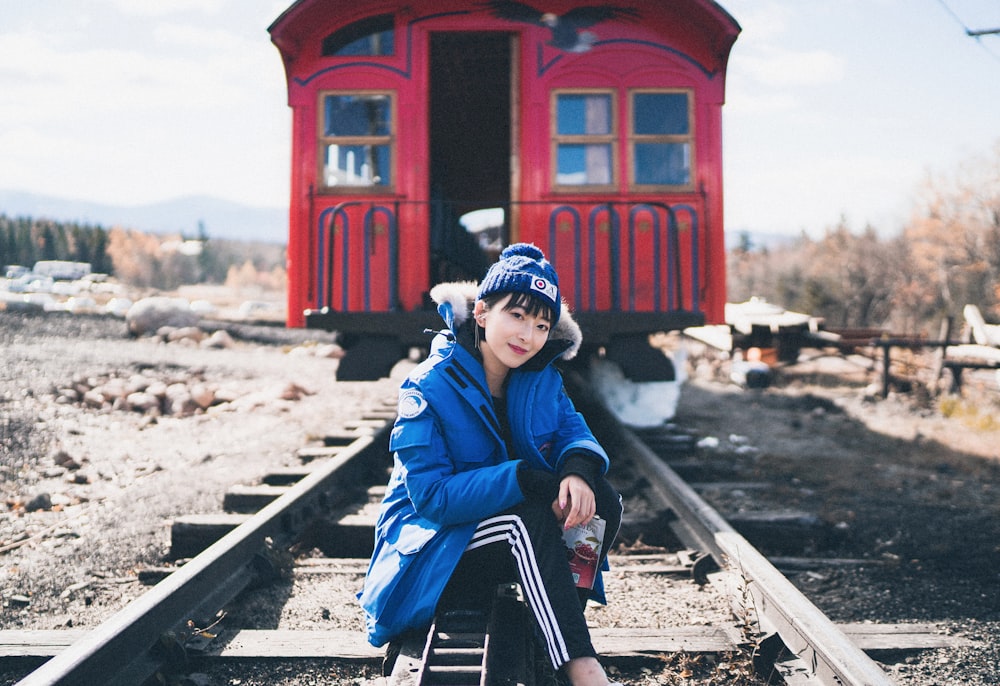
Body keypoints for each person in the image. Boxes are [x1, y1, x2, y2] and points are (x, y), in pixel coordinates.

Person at [357, 243, 624, 686]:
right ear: (481, 312)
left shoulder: (539, 379)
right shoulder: (430, 386)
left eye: (541, 325)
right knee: (525, 520)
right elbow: (432, 499)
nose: (528, 335)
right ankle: (581, 666)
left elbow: (572, 431)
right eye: (516, 316)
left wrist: (577, 470)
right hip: (431, 554)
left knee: (601, 504)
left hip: (495, 546)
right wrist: (525, 480)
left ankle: (557, 622)